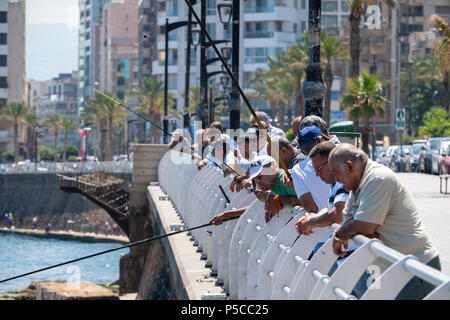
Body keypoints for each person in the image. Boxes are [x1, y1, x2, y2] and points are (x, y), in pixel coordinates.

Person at [329, 143, 440, 300]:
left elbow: (365, 226)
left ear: (349, 166)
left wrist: (342, 232)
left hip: (415, 268)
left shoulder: (378, 178)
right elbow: (351, 222)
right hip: (393, 268)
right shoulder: (357, 186)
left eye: (335, 173)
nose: (335, 180)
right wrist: (354, 229)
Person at [210, 155, 300, 225]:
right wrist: (226, 215)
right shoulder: (273, 186)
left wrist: (280, 201)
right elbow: (256, 208)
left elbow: (311, 201)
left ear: (271, 169)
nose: (257, 182)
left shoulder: (289, 179)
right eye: (255, 179)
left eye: (260, 176)